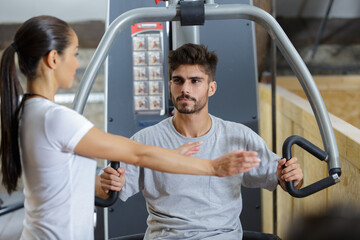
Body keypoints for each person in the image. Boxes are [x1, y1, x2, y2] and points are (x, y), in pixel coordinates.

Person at [0, 16, 262, 240]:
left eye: (195, 81)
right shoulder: (55, 119)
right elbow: (138, 154)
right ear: (54, 59)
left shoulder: (28, 111)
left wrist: (108, 180)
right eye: (75, 54)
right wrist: (212, 167)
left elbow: (61, 184)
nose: (78, 63)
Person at [96, 43, 304, 240]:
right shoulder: (145, 141)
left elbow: (286, 182)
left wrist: (290, 176)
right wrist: (107, 184)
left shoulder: (238, 137)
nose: (185, 89)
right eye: (178, 80)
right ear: (170, 85)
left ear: (211, 88)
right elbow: (105, 190)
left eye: (195, 81)